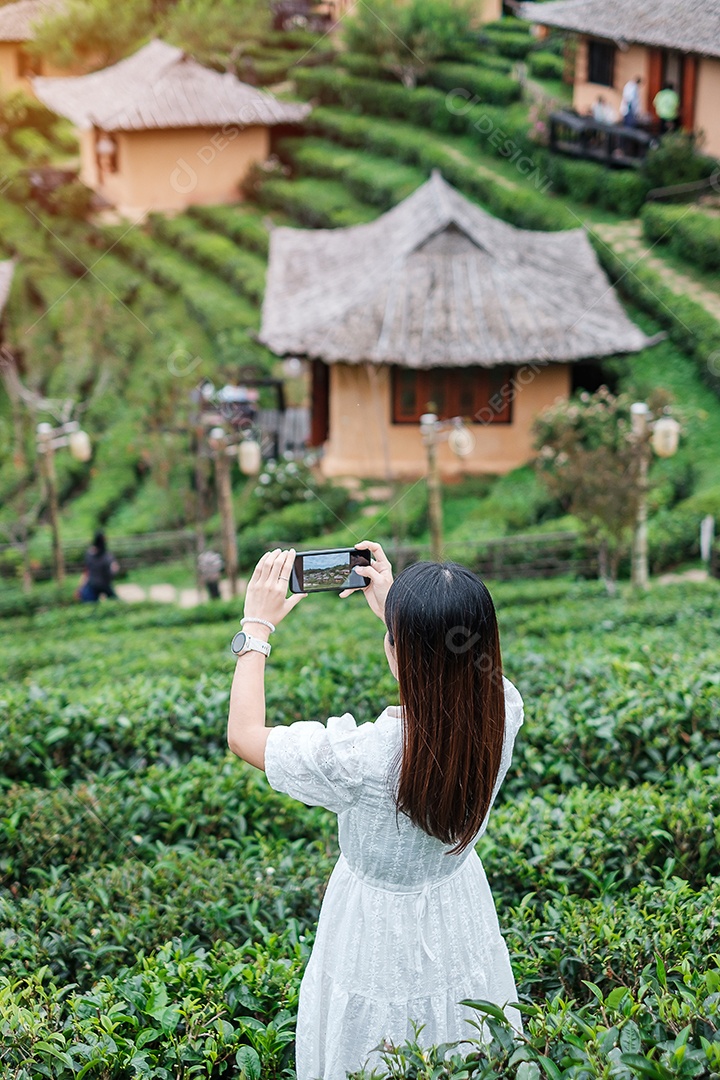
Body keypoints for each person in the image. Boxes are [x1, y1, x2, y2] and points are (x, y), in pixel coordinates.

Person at [227, 543, 524, 1079]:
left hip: (370, 932)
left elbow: (244, 736)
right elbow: (451, 664)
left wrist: (255, 629)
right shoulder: (504, 709)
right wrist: (402, 613)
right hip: (460, 911)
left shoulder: (360, 759)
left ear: (396, 653)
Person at [79, 531, 118, 602]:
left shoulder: (89, 554)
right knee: (116, 602)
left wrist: (81, 586)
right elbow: (111, 573)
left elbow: (86, 571)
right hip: (104, 584)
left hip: (92, 583)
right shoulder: (107, 556)